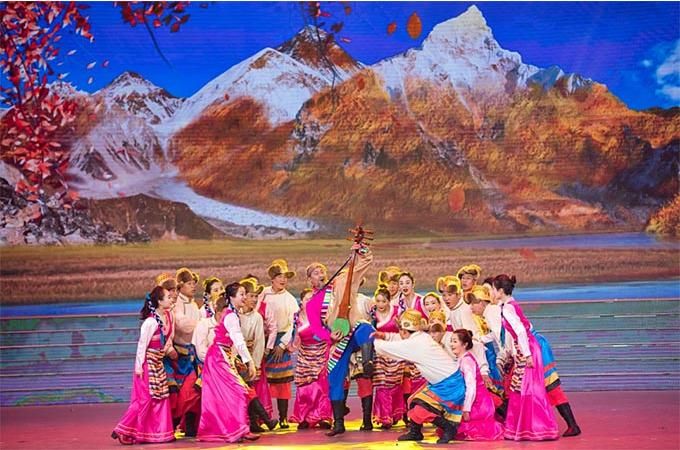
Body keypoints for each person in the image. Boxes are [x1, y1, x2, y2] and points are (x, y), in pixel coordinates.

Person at [493, 274, 581, 437]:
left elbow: (520, 331)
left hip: (531, 347)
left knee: (547, 385)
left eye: (492, 289)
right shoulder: (506, 305)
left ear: (499, 291)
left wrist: (526, 354)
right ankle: (528, 426)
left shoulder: (507, 308)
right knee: (523, 387)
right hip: (527, 346)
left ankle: (562, 425)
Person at [372, 309, 466, 444]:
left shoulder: (416, 343)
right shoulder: (420, 337)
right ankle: (415, 431)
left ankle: (448, 428)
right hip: (445, 382)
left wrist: (370, 340)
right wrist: (384, 336)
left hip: (449, 385)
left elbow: (390, 348)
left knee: (422, 409)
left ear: (405, 331)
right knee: (414, 400)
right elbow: (401, 340)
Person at [112, 287, 175, 445]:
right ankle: (123, 429)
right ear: (159, 301)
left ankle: (158, 433)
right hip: (148, 364)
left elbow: (167, 339)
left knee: (161, 397)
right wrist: (139, 367)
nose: (171, 298)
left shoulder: (168, 316)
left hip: (158, 362)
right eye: (168, 297)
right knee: (145, 399)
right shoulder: (150, 322)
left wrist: (168, 349)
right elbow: (142, 345)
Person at [197, 283, 259, 443]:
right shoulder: (231, 316)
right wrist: (250, 362)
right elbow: (238, 340)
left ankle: (238, 428)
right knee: (238, 391)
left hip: (222, 356)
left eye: (245, 294)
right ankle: (237, 429)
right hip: (218, 357)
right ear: (232, 297)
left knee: (232, 393)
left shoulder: (233, 314)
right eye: (241, 294)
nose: (244, 297)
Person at [260, 259, 299, 429]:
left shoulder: (289, 299)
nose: (283, 280)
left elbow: (293, 324)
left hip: (281, 339)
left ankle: (283, 417)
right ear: (272, 279)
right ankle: (261, 416)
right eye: (280, 276)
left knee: (283, 382)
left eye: (285, 277)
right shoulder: (263, 294)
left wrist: (282, 345)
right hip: (263, 339)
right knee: (261, 380)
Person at [290, 288, 333, 430]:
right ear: (301, 302)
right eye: (307, 299)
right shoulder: (296, 318)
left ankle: (324, 416)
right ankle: (305, 417)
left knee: (322, 386)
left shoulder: (321, 316)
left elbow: (329, 332)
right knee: (305, 388)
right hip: (305, 355)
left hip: (321, 352)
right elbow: (295, 338)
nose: (310, 302)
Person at [239, 277, 278, 433]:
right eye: (251, 296)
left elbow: (259, 341)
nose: (255, 300)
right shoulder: (235, 315)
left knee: (250, 387)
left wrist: (254, 364)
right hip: (236, 357)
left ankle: (255, 421)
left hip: (250, 357)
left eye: (256, 296)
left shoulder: (256, 317)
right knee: (245, 389)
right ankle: (255, 421)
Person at [450, 329, 504, 441]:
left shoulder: (467, 361)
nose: (451, 344)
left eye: (455, 341)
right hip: (471, 400)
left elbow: (471, 387)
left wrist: (466, 409)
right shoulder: (461, 359)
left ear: (464, 344)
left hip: (478, 403)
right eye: (451, 341)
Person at [167, 267, 201, 435]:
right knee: (182, 390)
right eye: (189, 283)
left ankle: (189, 425)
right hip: (180, 356)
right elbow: (183, 325)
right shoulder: (177, 304)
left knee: (194, 390)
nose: (193, 286)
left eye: (194, 283)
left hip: (193, 353)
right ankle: (173, 423)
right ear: (181, 285)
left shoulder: (193, 304)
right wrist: (201, 324)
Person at [370, 286, 405, 429]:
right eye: (378, 301)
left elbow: (404, 332)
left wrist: (399, 326)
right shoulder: (372, 314)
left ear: (389, 301)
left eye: (383, 301)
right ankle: (384, 417)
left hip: (395, 353)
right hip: (380, 353)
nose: (380, 304)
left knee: (395, 385)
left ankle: (394, 414)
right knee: (382, 384)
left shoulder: (397, 312)